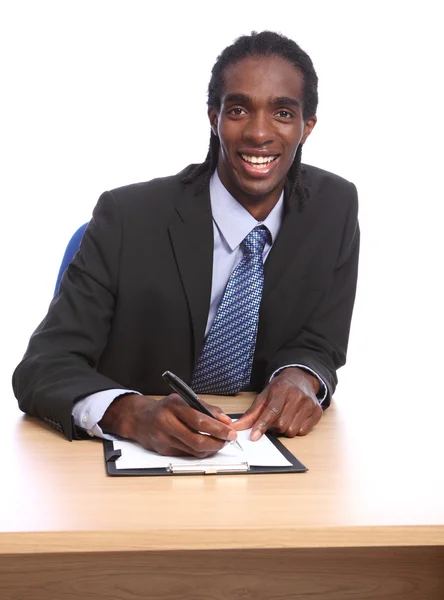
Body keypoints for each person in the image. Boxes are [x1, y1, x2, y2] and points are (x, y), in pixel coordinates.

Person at [13, 31, 359, 458]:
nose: (259, 133)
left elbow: (321, 342)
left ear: (307, 127)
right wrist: (128, 413)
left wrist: (302, 375)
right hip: (126, 468)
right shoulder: (127, 218)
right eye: (238, 110)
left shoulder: (334, 209)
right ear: (213, 117)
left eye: (283, 113)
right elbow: (42, 367)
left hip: (258, 460)